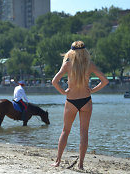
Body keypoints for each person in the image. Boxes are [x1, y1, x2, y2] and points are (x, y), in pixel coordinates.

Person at [51, 41, 109, 169]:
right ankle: (81, 165)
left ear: (71, 52)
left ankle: (57, 161)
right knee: (84, 132)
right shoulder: (90, 65)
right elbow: (105, 81)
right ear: (85, 52)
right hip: (86, 101)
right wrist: (92, 90)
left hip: (71, 101)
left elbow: (54, 81)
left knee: (65, 131)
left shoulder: (67, 65)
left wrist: (63, 92)